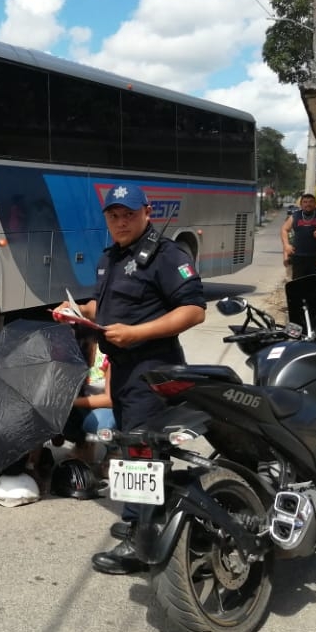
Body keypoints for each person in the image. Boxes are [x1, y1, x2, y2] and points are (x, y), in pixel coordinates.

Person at [52, 184, 206, 575]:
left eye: (129, 214)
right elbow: (105, 306)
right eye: (113, 216)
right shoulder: (111, 258)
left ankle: (139, 542)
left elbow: (193, 310)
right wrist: (77, 310)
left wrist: (138, 333)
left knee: (139, 456)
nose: (121, 222)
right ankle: (154, 521)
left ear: (147, 212)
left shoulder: (167, 256)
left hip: (153, 371)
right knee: (133, 453)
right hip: (122, 372)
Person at [280, 193, 316, 278]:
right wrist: (286, 245)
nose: (308, 204)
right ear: (301, 204)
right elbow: (284, 229)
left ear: (315, 204)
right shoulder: (295, 216)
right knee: (298, 283)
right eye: (305, 202)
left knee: (314, 283)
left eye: (311, 202)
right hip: (298, 256)